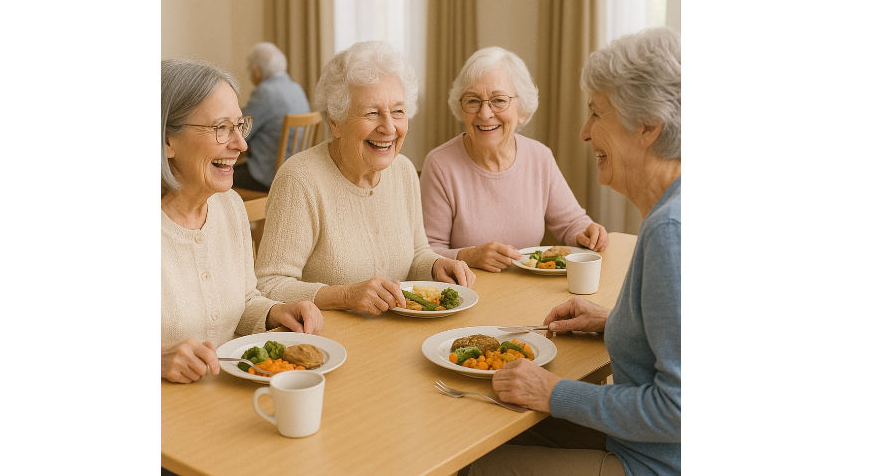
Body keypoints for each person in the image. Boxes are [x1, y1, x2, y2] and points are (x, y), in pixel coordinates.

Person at [462, 27, 681, 475]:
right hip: (645, 446)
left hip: (652, 463)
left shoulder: (669, 230)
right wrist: (616, 321)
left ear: (647, 128)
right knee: (503, 427)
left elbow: (675, 408)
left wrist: (552, 391)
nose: (584, 132)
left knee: (470, 464)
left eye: (597, 114)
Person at [254, 40, 476, 314]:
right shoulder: (300, 180)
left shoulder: (404, 171)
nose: (389, 127)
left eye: (398, 112)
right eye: (372, 113)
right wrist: (344, 296)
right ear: (335, 121)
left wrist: (435, 265)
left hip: (394, 337)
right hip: (330, 346)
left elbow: (417, 253)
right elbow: (269, 285)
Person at [161, 58, 323, 384]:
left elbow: (243, 300)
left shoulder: (230, 207)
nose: (241, 144)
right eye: (221, 128)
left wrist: (274, 311)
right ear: (168, 141)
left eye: (239, 126)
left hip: (228, 403)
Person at [420, 46, 608, 273]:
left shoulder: (540, 157)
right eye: (473, 101)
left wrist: (586, 234)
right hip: (470, 295)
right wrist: (468, 256)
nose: (485, 113)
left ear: (522, 110)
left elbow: (571, 223)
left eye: (499, 100)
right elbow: (426, 253)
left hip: (528, 294)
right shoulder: (441, 164)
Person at [233, 42, 312, 192]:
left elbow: (241, 133)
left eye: (250, 69)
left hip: (268, 175)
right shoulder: (295, 88)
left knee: (218, 178)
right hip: (293, 172)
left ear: (257, 71)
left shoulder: (265, 92)